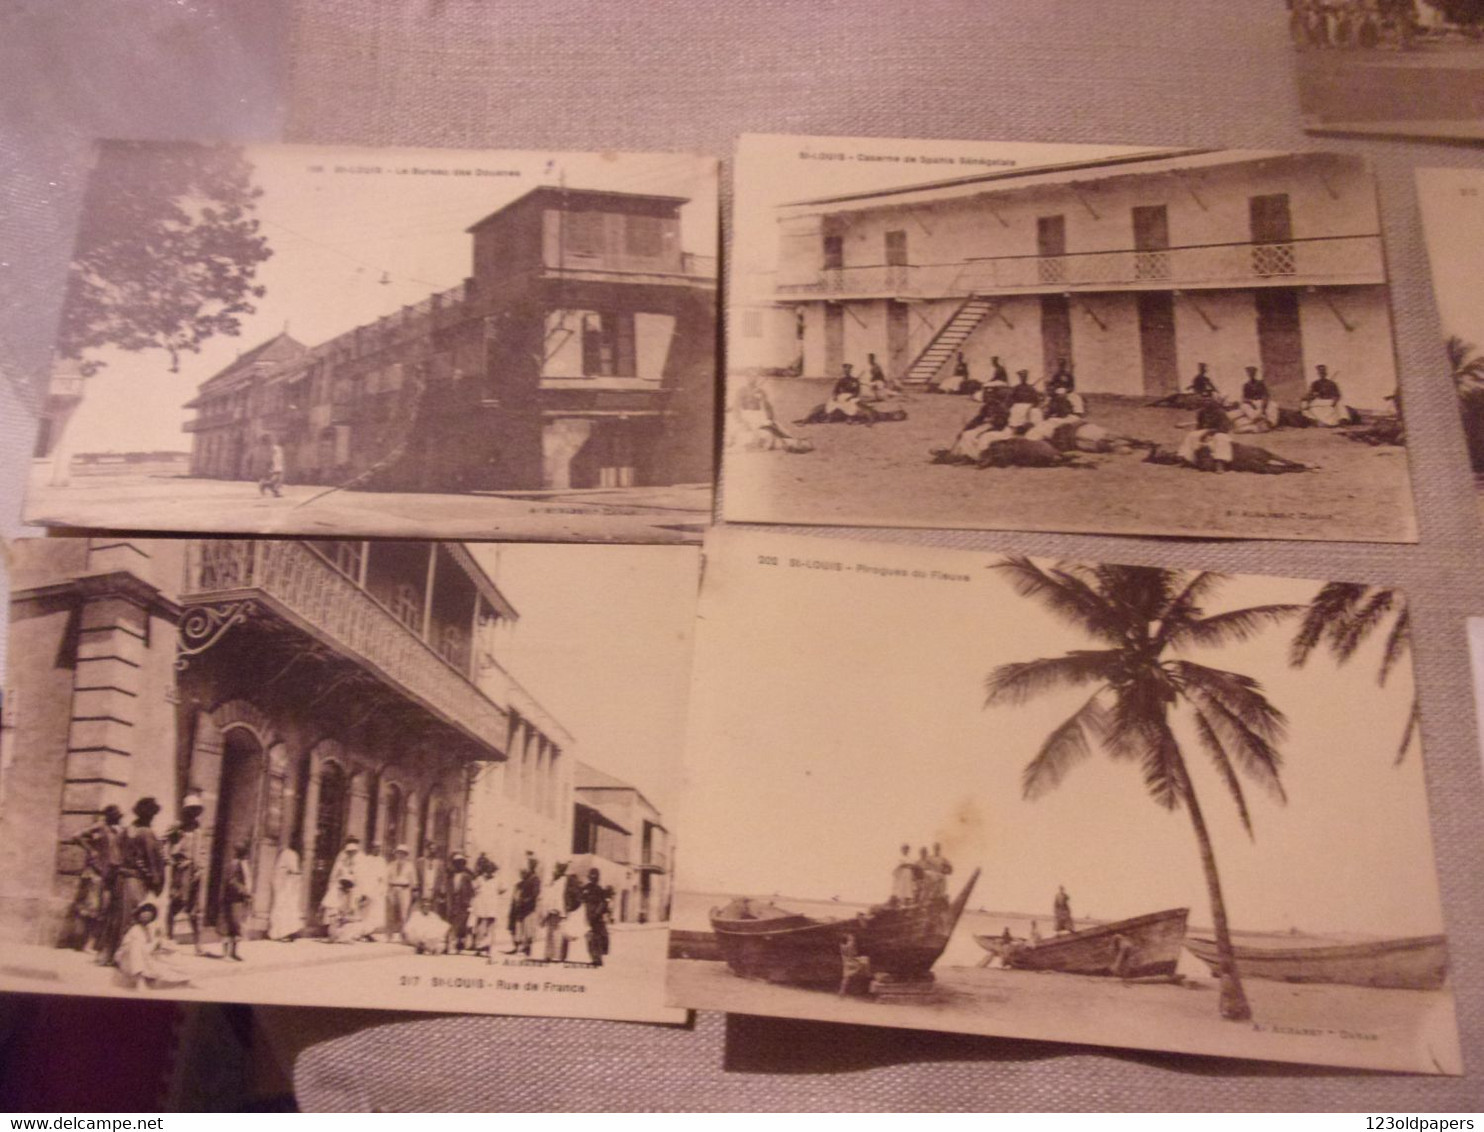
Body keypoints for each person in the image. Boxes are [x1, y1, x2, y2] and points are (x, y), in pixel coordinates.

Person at [98, 797, 166, 967]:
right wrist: (157, 883)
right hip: (136, 882)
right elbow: (154, 861)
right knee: (133, 919)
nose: (153, 818)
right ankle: (128, 959)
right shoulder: (147, 833)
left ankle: (111, 955)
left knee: (116, 918)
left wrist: (110, 880)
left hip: (120, 880)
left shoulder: (125, 831)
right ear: (149, 815)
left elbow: (113, 860)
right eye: (153, 814)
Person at [62, 804, 123, 953]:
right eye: (116, 815)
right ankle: (82, 943)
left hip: (109, 874)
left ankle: (92, 943)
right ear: (109, 815)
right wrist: (91, 850)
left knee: (103, 909)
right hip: (95, 873)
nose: (118, 818)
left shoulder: (117, 830)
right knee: (91, 908)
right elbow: (76, 836)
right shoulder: (100, 827)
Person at [164, 791, 207, 954]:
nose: (194, 813)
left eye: (196, 810)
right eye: (191, 809)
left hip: (196, 872)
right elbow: (162, 840)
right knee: (176, 903)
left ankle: (198, 945)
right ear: (185, 810)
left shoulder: (198, 828)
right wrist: (168, 859)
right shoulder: (177, 826)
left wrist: (201, 866)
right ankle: (168, 937)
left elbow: (202, 849)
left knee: (196, 909)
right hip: (181, 870)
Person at [114, 904, 191, 990]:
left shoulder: (150, 929)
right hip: (128, 959)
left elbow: (152, 946)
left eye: (148, 917)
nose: (145, 918)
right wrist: (155, 943)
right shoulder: (134, 929)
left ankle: (183, 978)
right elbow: (136, 949)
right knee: (136, 945)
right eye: (143, 915)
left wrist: (161, 943)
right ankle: (139, 980)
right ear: (139, 915)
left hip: (143, 955)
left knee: (167, 953)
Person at [732, 373, 812, 453]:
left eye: (754, 376)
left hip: (759, 415)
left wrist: (763, 403)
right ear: (746, 378)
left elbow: (768, 408)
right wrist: (741, 421)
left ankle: (792, 440)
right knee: (749, 434)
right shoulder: (741, 391)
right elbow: (736, 408)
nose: (752, 379)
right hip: (746, 415)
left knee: (773, 427)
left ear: (757, 378)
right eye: (750, 376)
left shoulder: (761, 391)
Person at [1176, 397, 1235, 472]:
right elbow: (1200, 426)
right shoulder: (1201, 412)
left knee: (1221, 438)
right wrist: (1202, 435)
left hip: (1219, 432)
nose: (1206, 402)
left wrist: (1209, 432)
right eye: (1204, 401)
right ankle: (1186, 458)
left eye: (1208, 401)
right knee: (1192, 435)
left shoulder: (1221, 412)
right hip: (1205, 432)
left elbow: (1224, 428)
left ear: (1213, 402)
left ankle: (1220, 463)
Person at [267, 840, 305, 942]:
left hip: (284, 884)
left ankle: (284, 932)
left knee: (283, 908)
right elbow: (294, 870)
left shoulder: (286, 853)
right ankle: (282, 932)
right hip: (285, 885)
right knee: (285, 909)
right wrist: (298, 874)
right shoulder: (291, 854)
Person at [221, 842, 252, 961]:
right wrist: (244, 890)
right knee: (230, 926)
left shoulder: (243, 864)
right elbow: (232, 881)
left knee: (236, 926)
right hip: (233, 899)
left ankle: (233, 953)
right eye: (245, 853)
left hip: (239, 899)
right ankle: (226, 954)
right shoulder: (235, 864)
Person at [469, 857, 506, 956]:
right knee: (481, 927)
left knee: (490, 928)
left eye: (492, 870)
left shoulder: (497, 880)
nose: (490, 872)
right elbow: (473, 887)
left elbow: (503, 889)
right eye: (488, 870)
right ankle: (479, 947)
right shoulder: (480, 879)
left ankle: (488, 947)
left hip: (492, 907)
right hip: (481, 906)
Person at [578, 868, 614, 967]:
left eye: (595, 877)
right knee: (591, 938)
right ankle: (595, 958)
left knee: (596, 938)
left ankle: (597, 958)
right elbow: (580, 899)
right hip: (589, 916)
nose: (594, 879)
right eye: (592, 876)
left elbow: (603, 903)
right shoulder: (587, 888)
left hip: (595, 917)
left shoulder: (598, 890)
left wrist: (597, 913)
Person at [540, 861, 573, 962]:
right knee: (550, 933)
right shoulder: (553, 881)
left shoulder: (565, 881)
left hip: (560, 910)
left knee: (559, 934)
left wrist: (565, 907)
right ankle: (548, 955)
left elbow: (565, 896)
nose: (555, 871)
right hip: (551, 910)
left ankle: (558, 956)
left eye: (558, 868)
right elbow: (549, 895)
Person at [1149, 363, 1218, 409]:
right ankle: (1157, 403)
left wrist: (1191, 387)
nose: (1205, 370)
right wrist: (1215, 391)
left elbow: (1201, 385)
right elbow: (1211, 386)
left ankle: (1156, 403)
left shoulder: (1199, 377)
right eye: (1205, 368)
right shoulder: (1203, 378)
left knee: (1174, 399)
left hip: (1198, 394)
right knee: (1175, 400)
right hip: (1199, 395)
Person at [1232, 366, 1280, 433]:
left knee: (1273, 405)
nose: (1251, 374)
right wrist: (1250, 402)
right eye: (1249, 373)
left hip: (1261, 401)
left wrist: (1263, 406)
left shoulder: (1260, 383)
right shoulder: (1246, 385)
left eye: (1253, 373)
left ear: (1255, 373)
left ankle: (1270, 422)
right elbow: (1244, 398)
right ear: (1248, 374)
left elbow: (1265, 395)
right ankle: (1257, 420)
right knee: (1244, 406)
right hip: (1251, 402)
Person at [445, 852, 475, 953]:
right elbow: (448, 889)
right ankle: (451, 944)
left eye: (460, 863)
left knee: (462, 924)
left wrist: (469, 903)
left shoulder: (467, 877)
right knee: (452, 923)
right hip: (453, 902)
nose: (458, 865)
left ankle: (460, 944)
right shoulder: (451, 876)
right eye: (456, 863)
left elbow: (471, 890)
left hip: (463, 903)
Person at [386, 844, 416, 942]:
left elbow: (413, 880)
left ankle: (404, 936)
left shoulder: (410, 866)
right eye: (399, 853)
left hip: (404, 890)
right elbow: (387, 878)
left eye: (403, 854)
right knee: (390, 913)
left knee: (404, 913)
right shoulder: (391, 865)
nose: (400, 855)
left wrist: (413, 891)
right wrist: (387, 890)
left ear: (406, 855)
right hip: (393, 888)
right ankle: (389, 936)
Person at [359, 843, 388, 941]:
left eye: (379, 848)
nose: (377, 850)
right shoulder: (367, 859)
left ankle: (372, 933)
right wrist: (364, 890)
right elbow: (363, 875)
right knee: (366, 912)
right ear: (371, 848)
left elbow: (384, 877)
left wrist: (382, 889)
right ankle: (363, 932)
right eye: (375, 848)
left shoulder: (382, 860)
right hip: (368, 888)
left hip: (378, 889)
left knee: (375, 913)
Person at [838, 930, 871, 996]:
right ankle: (867, 973)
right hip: (850, 961)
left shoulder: (843, 946)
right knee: (865, 960)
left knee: (846, 977)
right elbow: (854, 953)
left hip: (849, 961)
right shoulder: (848, 946)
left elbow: (853, 952)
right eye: (851, 940)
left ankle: (842, 992)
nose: (853, 941)